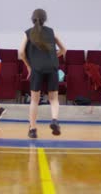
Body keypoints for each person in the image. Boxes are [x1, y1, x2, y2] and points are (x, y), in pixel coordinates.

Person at [19, 9, 67, 139]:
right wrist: (52, 57)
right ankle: (55, 120)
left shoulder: (28, 33)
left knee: (34, 100)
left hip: (37, 68)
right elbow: (64, 50)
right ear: (45, 19)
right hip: (52, 67)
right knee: (54, 99)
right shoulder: (51, 32)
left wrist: (29, 66)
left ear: (32, 18)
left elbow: (21, 53)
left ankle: (33, 129)